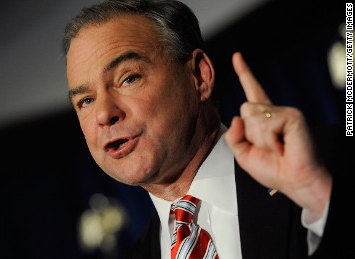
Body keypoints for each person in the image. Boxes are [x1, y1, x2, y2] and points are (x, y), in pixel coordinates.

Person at [61, 0, 353, 258]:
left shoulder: (328, 163)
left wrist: (317, 196)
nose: (103, 114)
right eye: (85, 100)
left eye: (128, 79)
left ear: (199, 76)